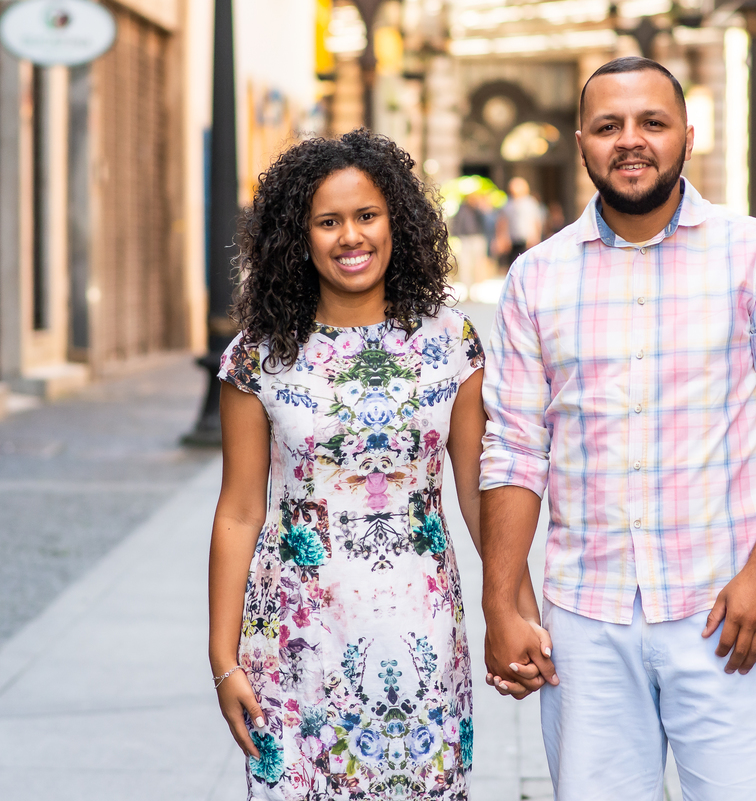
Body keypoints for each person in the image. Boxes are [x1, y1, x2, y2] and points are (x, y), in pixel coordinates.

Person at [478, 57, 756, 800]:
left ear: (687, 133)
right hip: (587, 621)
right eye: (609, 125)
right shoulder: (537, 278)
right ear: (581, 139)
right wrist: (500, 603)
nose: (631, 140)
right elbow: (516, 447)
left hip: (726, 610)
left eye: (652, 122)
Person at [208, 129, 547, 800]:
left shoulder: (452, 342)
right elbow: (240, 509)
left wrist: (516, 609)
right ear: (297, 237)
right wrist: (222, 659)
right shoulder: (260, 354)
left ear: (397, 221)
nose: (349, 236)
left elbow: (479, 493)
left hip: (420, 633)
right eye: (327, 222)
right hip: (295, 635)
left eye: (366, 215)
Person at [493, 176, 543, 269]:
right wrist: (502, 238)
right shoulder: (507, 204)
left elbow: (536, 221)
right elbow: (502, 222)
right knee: (513, 264)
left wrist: (535, 237)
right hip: (512, 239)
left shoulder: (531, 203)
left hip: (527, 239)